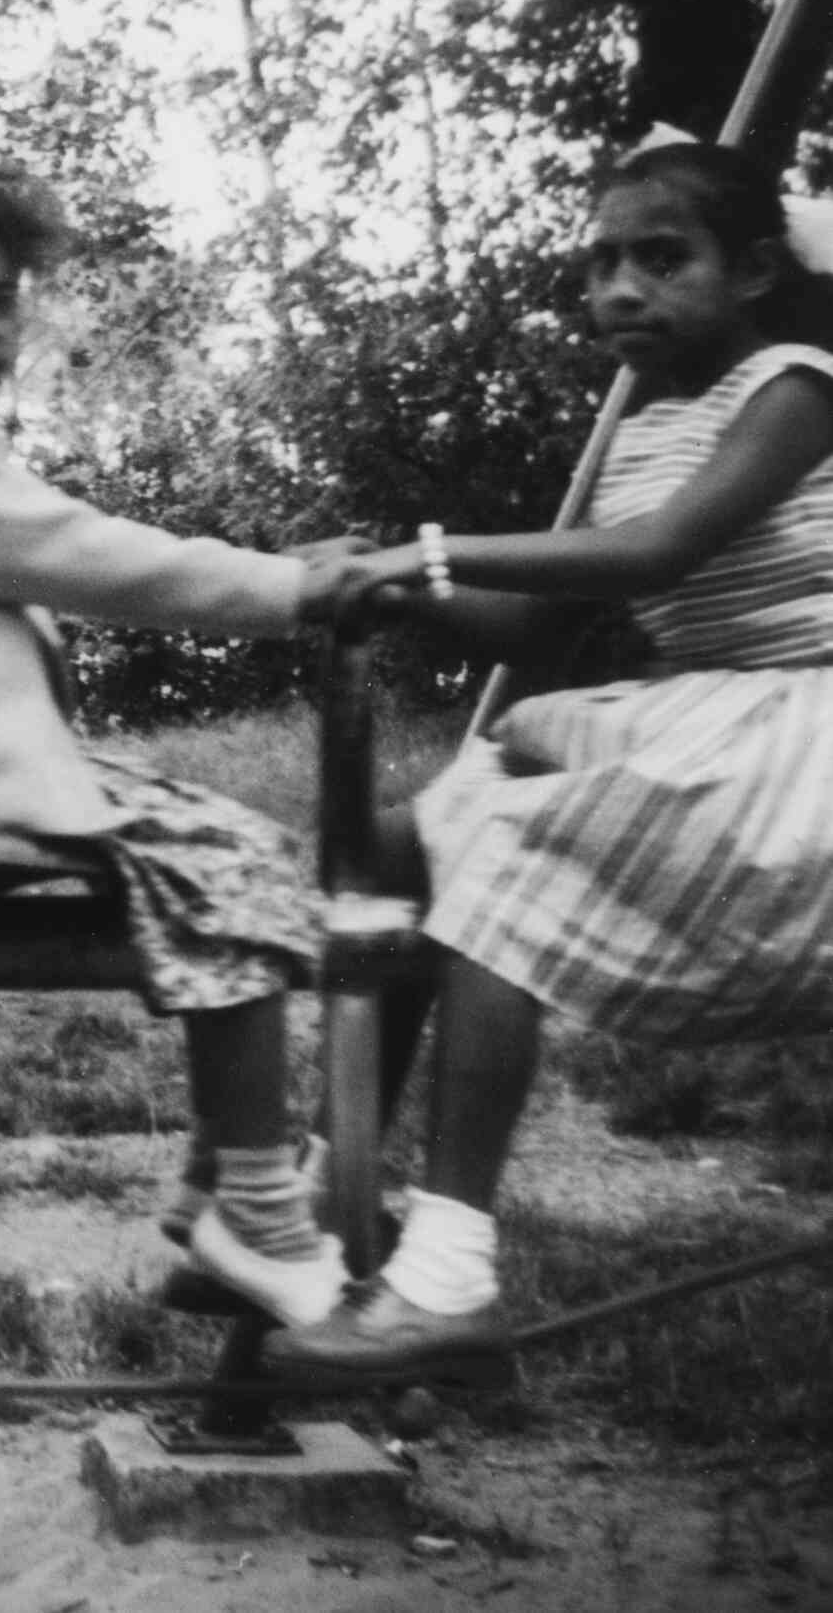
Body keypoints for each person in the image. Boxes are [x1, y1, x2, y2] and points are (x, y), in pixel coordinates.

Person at [266, 137, 833, 1381]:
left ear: (747, 272)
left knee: (505, 862)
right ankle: (320, 1186)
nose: (618, 288)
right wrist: (390, 589)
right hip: (707, 710)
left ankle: (452, 1270)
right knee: (410, 838)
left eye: (657, 258)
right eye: (597, 264)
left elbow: (652, 556)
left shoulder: (795, 384)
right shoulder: (643, 422)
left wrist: (419, 553)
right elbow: (534, 627)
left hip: (802, 733)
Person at [0, 172, 369, 1328]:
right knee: (235, 873)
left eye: (1, 298)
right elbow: (90, 555)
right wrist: (298, 589)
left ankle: (215, 1191)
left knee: (238, 853)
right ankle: (252, 1206)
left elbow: (57, 551)